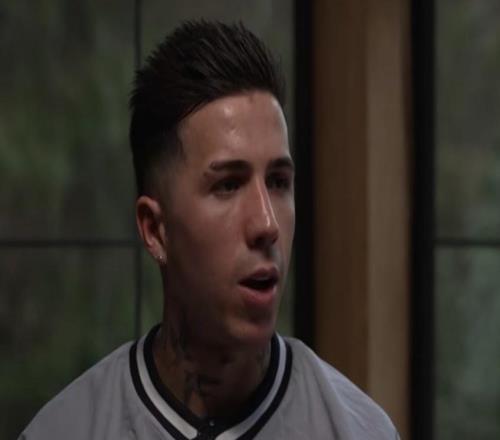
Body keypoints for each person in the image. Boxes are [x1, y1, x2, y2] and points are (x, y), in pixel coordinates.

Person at [20, 20, 399, 439]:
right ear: (155, 230)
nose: (267, 224)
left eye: (278, 182)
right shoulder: (66, 430)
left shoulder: (358, 430)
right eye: (228, 185)